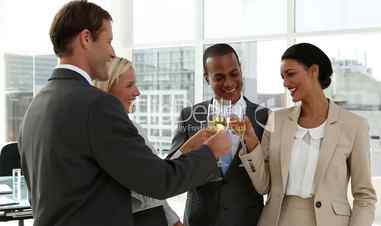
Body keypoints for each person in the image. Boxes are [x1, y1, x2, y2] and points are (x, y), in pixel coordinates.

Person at [17, 1, 231, 226]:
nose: (111, 52)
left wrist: (187, 150)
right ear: (86, 38)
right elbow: (158, 182)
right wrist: (210, 152)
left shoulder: (36, 106)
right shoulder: (98, 105)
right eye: (108, 41)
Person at [238, 43, 377, 226]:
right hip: (278, 220)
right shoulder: (276, 119)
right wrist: (250, 141)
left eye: (291, 74)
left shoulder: (354, 125)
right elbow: (263, 185)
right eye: (282, 77)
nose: (285, 83)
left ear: (313, 71)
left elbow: (364, 196)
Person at [167, 43, 269, 226]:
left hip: (247, 220)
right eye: (219, 77)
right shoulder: (189, 117)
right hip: (200, 220)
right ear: (207, 78)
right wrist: (191, 147)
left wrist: (252, 144)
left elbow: (268, 179)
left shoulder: (264, 116)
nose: (229, 83)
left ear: (241, 71)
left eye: (234, 74)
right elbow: (171, 171)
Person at [94, 57, 184, 226]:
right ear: (107, 89)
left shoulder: (133, 127)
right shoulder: (111, 133)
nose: (137, 92)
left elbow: (152, 188)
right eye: (129, 85)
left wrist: (174, 221)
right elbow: (151, 184)